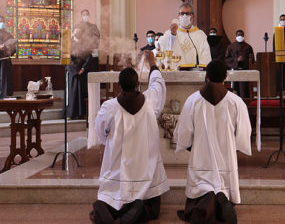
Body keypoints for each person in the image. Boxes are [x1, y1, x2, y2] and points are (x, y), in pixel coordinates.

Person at [90, 51, 169, 224]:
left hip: (118, 168)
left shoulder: (109, 107)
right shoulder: (150, 102)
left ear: (119, 85)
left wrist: (110, 143)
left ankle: (110, 210)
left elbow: (100, 131)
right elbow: (158, 84)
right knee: (151, 209)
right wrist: (152, 63)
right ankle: (136, 209)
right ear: (138, 84)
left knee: (110, 201)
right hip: (145, 169)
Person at [174, 60, 252, 224]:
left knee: (202, 187)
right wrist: (234, 146)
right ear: (226, 77)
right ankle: (221, 200)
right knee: (222, 183)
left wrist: (190, 145)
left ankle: (206, 204)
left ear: (206, 76)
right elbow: (245, 132)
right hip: (226, 157)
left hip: (201, 156)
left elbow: (183, 132)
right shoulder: (236, 101)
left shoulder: (193, 100)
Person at [158, 3, 211, 67]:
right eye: (182, 13)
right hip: (176, 71)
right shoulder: (171, 31)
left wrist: (202, 68)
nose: (185, 16)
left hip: (194, 72)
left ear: (193, 16)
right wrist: (172, 35)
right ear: (178, 16)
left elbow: (206, 54)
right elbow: (161, 44)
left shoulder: (200, 34)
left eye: (188, 13)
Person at [64, 28, 92, 120]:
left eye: (79, 31)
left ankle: (81, 113)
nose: (77, 33)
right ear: (73, 33)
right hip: (72, 72)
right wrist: (76, 70)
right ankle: (70, 114)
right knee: (72, 93)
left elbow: (89, 57)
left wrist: (83, 68)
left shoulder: (85, 44)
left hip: (83, 73)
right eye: (76, 31)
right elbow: (67, 57)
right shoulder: (68, 44)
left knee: (82, 93)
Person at [225, 29, 255, 98]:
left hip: (245, 70)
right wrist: (236, 60)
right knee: (235, 89)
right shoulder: (230, 47)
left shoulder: (248, 47)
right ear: (236, 36)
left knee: (244, 89)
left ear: (244, 36)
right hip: (235, 70)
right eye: (238, 35)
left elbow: (252, 59)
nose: (240, 36)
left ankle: (245, 101)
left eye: (241, 35)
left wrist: (244, 60)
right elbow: (227, 59)